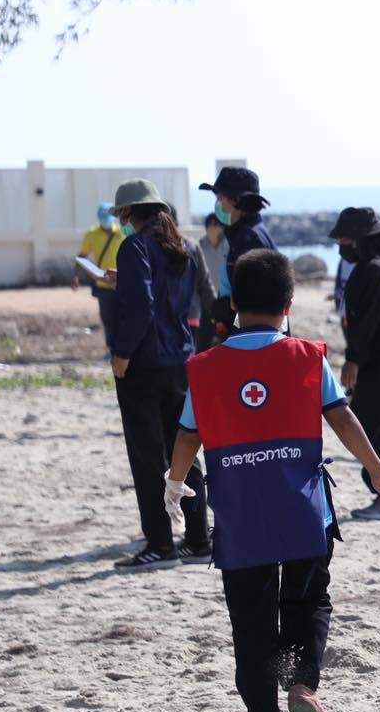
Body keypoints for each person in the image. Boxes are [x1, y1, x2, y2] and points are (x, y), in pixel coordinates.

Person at [163, 249, 380, 712]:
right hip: (302, 509)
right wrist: (377, 470)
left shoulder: (205, 367)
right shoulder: (308, 357)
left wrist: (175, 482)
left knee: (250, 615)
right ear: (288, 306)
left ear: (233, 305)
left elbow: (188, 435)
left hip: (241, 513)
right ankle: (302, 685)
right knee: (307, 599)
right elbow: (342, 417)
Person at [105, 179, 209, 569]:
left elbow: (143, 307)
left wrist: (122, 353)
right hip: (180, 359)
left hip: (144, 363)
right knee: (184, 448)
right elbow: (178, 297)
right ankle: (198, 539)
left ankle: (161, 544)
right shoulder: (186, 246)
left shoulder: (133, 247)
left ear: (129, 212)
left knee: (147, 456)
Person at [328, 207, 380, 520]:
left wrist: (353, 360)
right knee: (370, 426)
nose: (341, 246)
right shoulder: (371, 266)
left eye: (344, 239)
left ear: (358, 239)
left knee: (369, 430)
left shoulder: (374, 269)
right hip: (377, 361)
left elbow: (369, 322)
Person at [200, 167, 276, 341]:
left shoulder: (249, 239)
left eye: (220, 198)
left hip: (251, 341)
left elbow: (259, 302)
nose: (217, 204)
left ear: (236, 200)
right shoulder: (243, 234)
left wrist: (226, 310)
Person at [74, 203, 126, 349]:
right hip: (103, 284)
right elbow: (82, 256)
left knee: (124, 318)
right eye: (104, 219)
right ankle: (112, 348)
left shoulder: (123, 232)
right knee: (108, 319)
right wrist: (75, 275)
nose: (106, 222)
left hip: (122, 284)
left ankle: (123, 350)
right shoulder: (91, 234)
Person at [193, 213, 228, 352]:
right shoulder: (198, 247)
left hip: (225, 302)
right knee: (202, 343)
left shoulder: (228, 245)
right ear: (211, 226)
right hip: (205, 303)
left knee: (225, 343)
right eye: (221, 226)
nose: (223, 229)